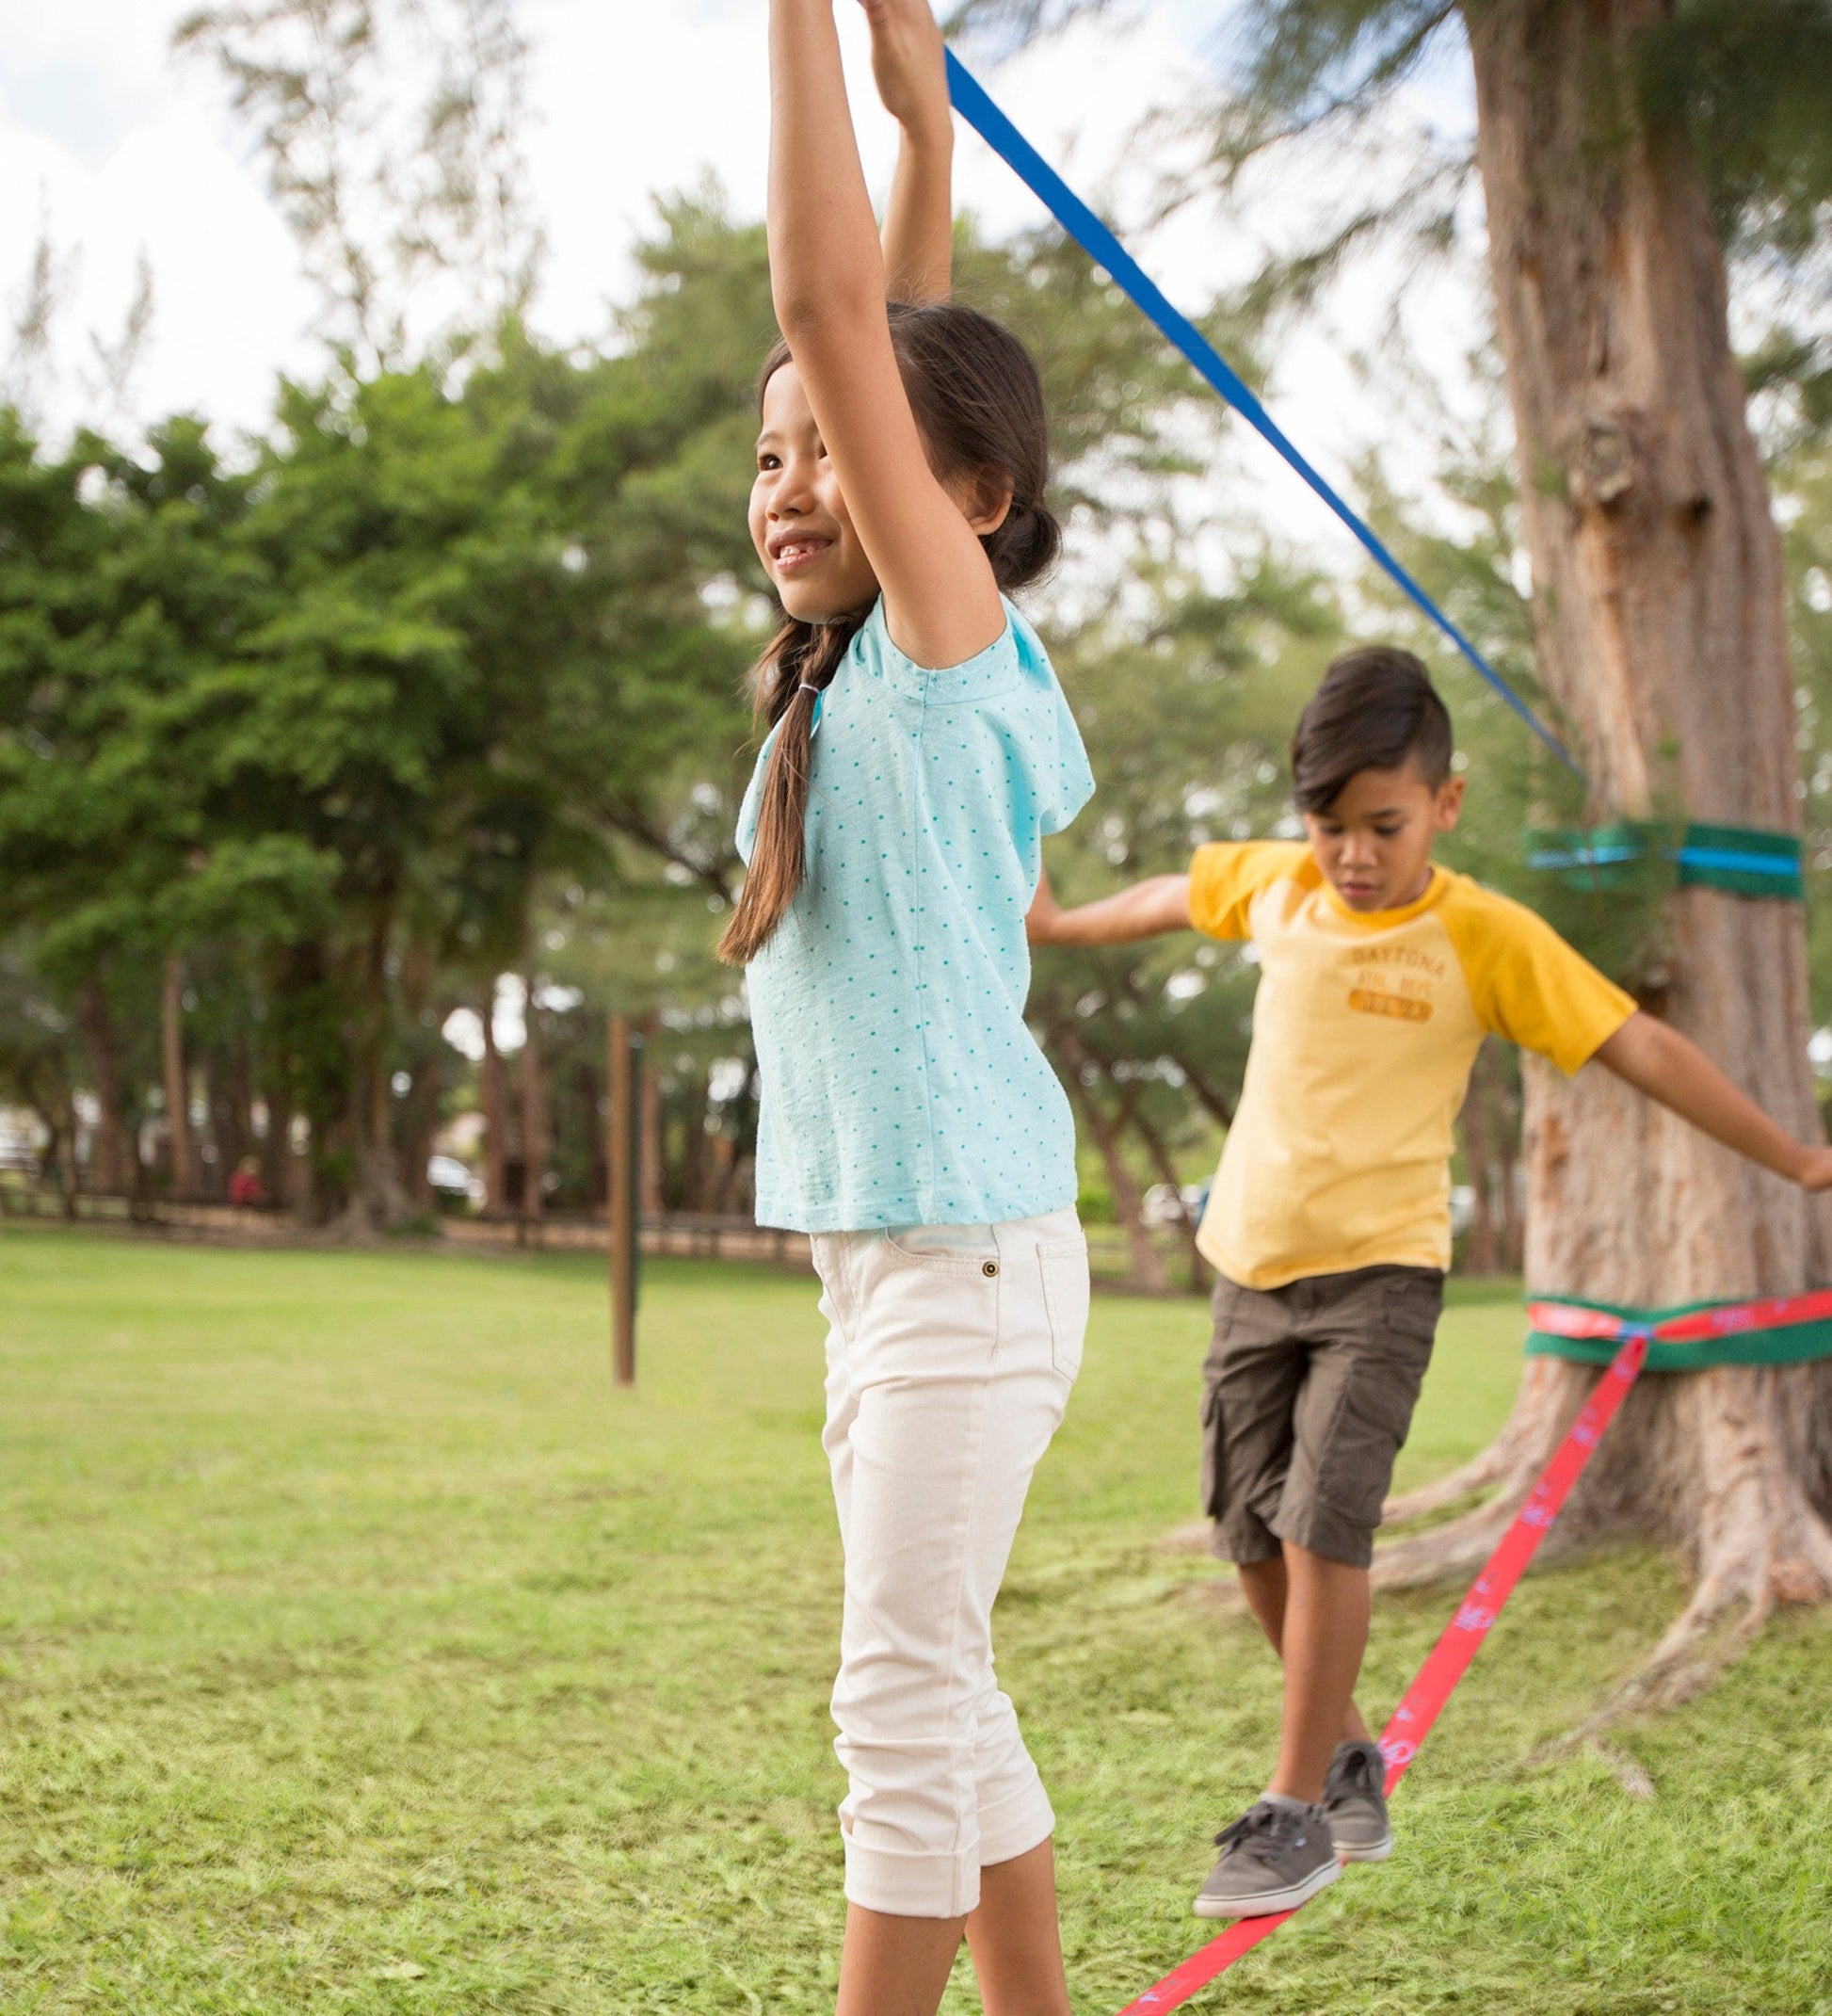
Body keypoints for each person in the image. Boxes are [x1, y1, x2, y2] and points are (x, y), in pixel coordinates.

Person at [1027, 645, 1832, 1921]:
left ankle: (1292, 1811)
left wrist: (1793, 1154)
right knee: (1245, 1533)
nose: (1352, 853)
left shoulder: (1478, 933)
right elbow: (1175, 892)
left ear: (1443, 807)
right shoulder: (1281, 885)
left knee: (1321, 1520)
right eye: (1328, 824)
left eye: (1383, 826)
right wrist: (1062, 922)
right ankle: (1348, 1750)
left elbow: (1639, 1042)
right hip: (1246, 1267)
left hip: (1380, 1277)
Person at [726, 7, 1094, 2012]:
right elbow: (886, 324)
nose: (791, 482)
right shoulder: (857, 665)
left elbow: (839, 306)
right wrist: (917, 124)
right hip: (893, 1267)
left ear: (966, 500)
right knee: (942, 1689)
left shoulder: (951, 656)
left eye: (833, 448)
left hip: (961, 1260)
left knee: (892, 1705)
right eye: (768, 451)